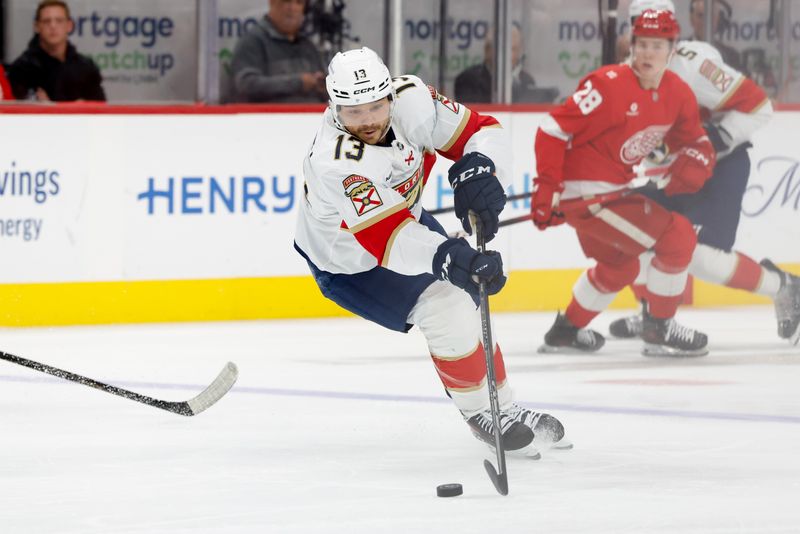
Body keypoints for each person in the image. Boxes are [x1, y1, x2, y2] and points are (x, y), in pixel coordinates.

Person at [294, 46, 569, 456]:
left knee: (467, 299)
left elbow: (483, 130)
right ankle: (482, 413)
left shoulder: (412, 97)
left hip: (405, 223)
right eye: (353, 112)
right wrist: (449, 257)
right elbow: (388, 238)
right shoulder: (336, 162)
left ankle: (505, 407)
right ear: (334, 107)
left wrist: (481, 169)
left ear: (389, 93)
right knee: (445, 304)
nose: (367, 120)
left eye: (375, 106)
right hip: (351, 261)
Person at [608, 0, 800, 345]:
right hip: (678, 172)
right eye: (638, 29)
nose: (645, 43)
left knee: (700, 253)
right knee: (636, 220)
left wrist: (711, 141)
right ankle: (655, 314)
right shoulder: (627, 76)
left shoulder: (695, 65)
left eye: (655, 33)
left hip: (722, 165)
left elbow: (759, 108)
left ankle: (784, 286)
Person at [532, 9, 716, 357]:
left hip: (613, 193)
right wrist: (547, 186)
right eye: (642, 44)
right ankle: (659, 327)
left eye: (657, 46)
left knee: (622, 266)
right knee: (677, 236)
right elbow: (552, 129)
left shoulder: (678, 92)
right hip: (587, 196)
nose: (648, 53)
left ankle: (564, 332)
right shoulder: (607, 84)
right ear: (632, 45)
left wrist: (697, 161)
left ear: (672, 50)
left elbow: (695, 141)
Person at [225, 0, 326, 103]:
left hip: (313, 116)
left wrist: (323, 84)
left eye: (299, 3)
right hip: (267, 117)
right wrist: (298, 83)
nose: (292, 8)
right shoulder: (253, 42)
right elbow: (245, 85)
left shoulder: (308, 46)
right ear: (272, 3)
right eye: (286, 1)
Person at [7, 0, 105, 102]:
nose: (53, 26)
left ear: (69, 25)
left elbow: (101, 110)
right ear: (37, 26)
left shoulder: (86, 68)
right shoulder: (22, 69)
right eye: (46, 21)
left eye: (59, 20)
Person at [453, 23, 554, 104]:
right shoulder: (467, 79)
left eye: (513, 49)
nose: (507, 55)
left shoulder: (527, 80)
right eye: (502, 49)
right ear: (487, 50)